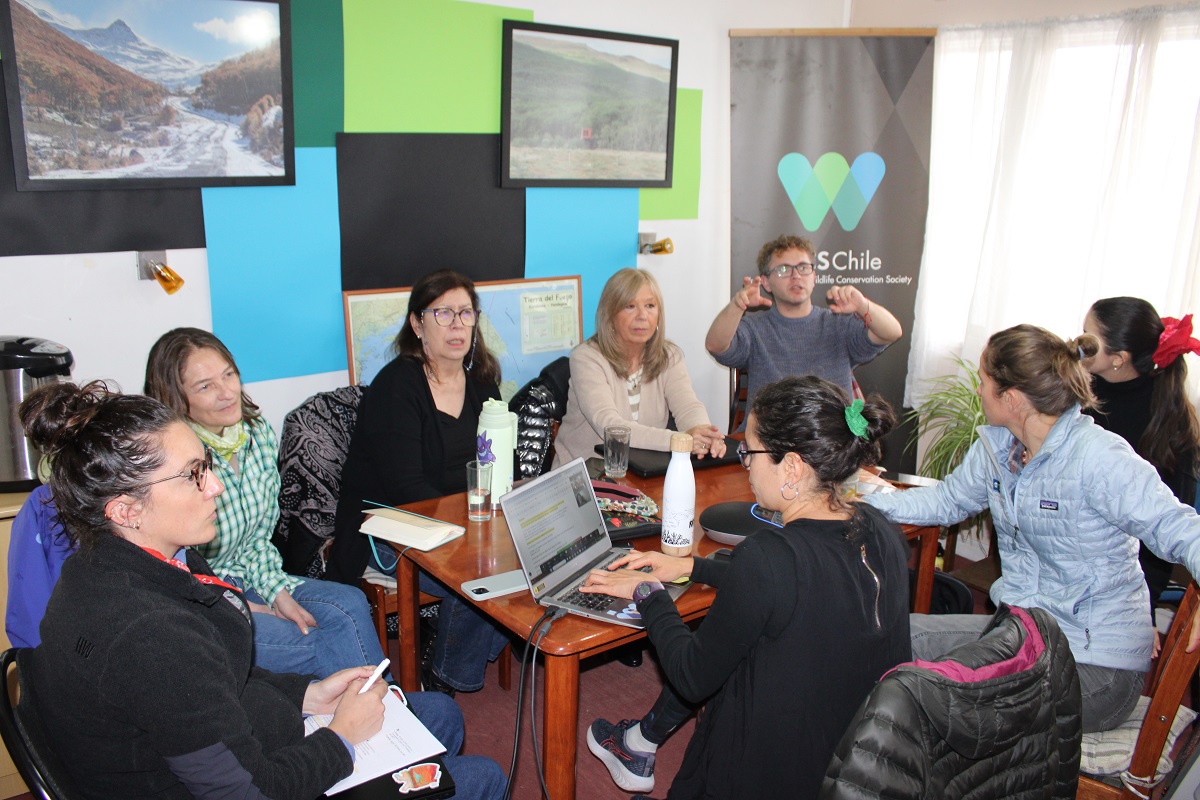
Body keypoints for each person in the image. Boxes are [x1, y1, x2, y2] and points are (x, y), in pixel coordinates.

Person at [18, 381, 506, 799]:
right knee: (482, 776)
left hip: (239, 737)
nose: (215, 486)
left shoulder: (106, 566)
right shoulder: (151, 636)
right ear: (126, 510)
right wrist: (341, 736)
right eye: (193, 476)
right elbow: (249, 793)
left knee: (439, 713)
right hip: (246, 783)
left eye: (206, 464)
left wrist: (308, 695)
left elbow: (217, 682)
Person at [579, 376, 912, 798]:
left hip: (769, 773)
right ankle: (640, 742)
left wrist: (649, 594)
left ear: (791, 467)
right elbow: (785, 588)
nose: (746, 465)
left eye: (749, 452)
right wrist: (689, 567)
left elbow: (691, 677)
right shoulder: (881, 529)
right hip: (858, 762)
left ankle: (638, 745)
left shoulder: (771, 557)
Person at [865, 324, 1200, 733]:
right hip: (1023, 635)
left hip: (1095, 667)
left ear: (1012, 398)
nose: (978, 391)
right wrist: (860, 497)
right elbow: (946, 501)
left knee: (933, 698)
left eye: (984, 382)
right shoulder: (997, 446)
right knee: (894, 639)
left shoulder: (1099, 457)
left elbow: (1180, 527)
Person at [144, 327, 386, 679]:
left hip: (250, 575)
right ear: (175, 398)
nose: (227, 392)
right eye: (205, 386)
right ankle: (375, 703)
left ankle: (386, 703)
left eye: (229, 375)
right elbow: (167, 569)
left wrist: (277, 594)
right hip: (198, 599)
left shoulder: (256, 433)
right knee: (318, 643)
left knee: (349, 602)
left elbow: (258, 539)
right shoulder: (171, 463)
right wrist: (241, 605)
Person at [328, 269, 509, 694]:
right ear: (417, 324)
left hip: (464, 524)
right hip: (390, 530)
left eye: (465, 313)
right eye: (442, 313)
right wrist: (475, 532)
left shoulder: (483, 382)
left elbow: (503, 466)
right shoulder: (397, 386)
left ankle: (458, 648)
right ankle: (442, 675)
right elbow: (407, 490)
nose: (457, 325)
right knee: (481, 571)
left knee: (524, 556)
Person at [1083, 297, 1200, 606]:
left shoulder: (1169, 423)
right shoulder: (1079, 393)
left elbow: (1167, 530)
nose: (1078, 346)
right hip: (1075, 556)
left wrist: (1138, 604)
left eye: (1087, 338)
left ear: (1118, 358)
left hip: (1125, 582)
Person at [705, 234, 902, 414]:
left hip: (831, 435)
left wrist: (862, 305)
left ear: (814, 277)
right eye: (783, 269)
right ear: (766, 282)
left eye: (803, 268)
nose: (796, 276)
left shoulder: (839, 322)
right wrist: (737, 305)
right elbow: (715, 346)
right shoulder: (754, 328)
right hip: (770, 435)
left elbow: (891, 333)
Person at [553, 267, 726, 467]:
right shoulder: (586, 358)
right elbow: (610, 426)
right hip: (586, 473)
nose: (642, 315)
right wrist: (680, 441)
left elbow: (688, 407)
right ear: (610, 315)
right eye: (630, 306)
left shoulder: (669, 356)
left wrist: (704, 435)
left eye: (650, 305)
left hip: (644, 472)